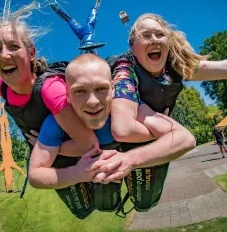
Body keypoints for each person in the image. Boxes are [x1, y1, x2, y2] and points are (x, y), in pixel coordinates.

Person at [29, 53, 196, 219]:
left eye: (101, 89)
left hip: (128, 153)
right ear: (68, 96)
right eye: (80, 91)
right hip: (87, 168)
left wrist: (129, 160)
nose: (92, 101)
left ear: (113, 89)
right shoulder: (57, 122)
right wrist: (78, 174)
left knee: (144, 203)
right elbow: (35, 175)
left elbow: (185, 139)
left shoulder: (128, 108)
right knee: (101, 205)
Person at [91, 13, 227, 214]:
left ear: (168, 42)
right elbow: (123, 129)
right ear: (132, 47)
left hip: (150, 134)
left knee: (145, 202)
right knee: (105, 201)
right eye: (146, 36)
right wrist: (164, 131)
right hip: (112, 142)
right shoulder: (124, 70)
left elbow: (220, 68)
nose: (154, 39)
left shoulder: (175, 65)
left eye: (159, 34)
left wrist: (159, 128)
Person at [0, 3, 100, 155]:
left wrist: (47, 146)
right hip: (46, 160)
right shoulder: (1, 85)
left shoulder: (51, 89)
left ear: (31, 53)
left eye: (13, 46)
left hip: (79, 160)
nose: (4, 55)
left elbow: (88, 143)